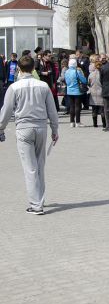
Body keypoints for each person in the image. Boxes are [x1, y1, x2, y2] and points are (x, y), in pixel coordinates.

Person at [0, 56, 59, 215]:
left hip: (23, 128)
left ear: (19, 69)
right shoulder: (43, 86)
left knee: (30, 168)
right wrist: (55, 129)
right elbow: (52, 110)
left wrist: (1, 128)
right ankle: (40, 199)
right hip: (41, 127)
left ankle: (36, 205)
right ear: (33, 69)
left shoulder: (14, 87)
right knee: (40, 165)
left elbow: (6, 110)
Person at [64, 58, 87, 127]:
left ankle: (71, 122)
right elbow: (84, 80)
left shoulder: (66, 72)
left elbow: (65, 81)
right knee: (77, 106)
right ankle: (78, 122)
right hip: (77, 91)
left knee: (71, 106)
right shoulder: (77, 71)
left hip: (69, 91)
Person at [88, 60, 106, 128]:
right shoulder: (102, 74)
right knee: (102, 110)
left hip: (93, 92)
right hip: (101, 92)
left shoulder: (91, 74)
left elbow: (88, 83)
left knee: (94, 109)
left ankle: (95, 124)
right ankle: (104, 124)